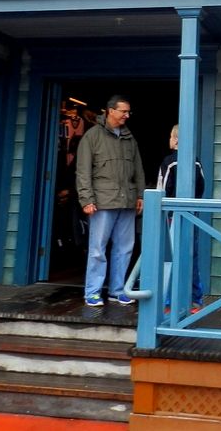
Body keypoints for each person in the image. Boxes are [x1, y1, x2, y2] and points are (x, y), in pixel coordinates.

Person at [76, 94, 144, 307]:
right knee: (97, 249)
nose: (127, 115)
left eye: (128, 112)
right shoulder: (92, 136)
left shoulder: (129, 137)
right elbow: (83, 171)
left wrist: (140, 195)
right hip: (102, 202)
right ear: (110, 111)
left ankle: (117, 291)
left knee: (125, 248)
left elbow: (138, 170)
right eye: (123, 111)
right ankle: (92, 292)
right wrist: (86, 198)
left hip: (127, 201)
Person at [157, 124, 205, 310]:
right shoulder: (196, 161)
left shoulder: (169, 162)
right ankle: (195, 300)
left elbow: (162, 189)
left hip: (171, 217)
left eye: (170, 136)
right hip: (192, 214)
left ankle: (168, 302)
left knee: (169, 258)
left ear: (176, 140)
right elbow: (201, 187)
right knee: (191, 256)